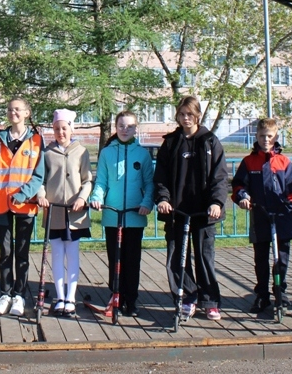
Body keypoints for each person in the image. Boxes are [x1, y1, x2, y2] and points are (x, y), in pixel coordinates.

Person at [154, 96, 229, 321]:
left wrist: (216, 202)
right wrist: (163, 199)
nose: (186, 119)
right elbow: (161, 176)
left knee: (205, 257)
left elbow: (220, 176)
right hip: (177, 211)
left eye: (190, 114)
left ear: (197, 116)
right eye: (182, 114)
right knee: (177, 257)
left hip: (204, 212)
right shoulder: (170, 143)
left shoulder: (210, 141)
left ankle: (210, 300)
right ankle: (187, 297)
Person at [231, 117, 292, 314]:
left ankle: (281, 292)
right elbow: (238, 185)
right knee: (260, 258)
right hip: (260, 215)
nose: (266, 140)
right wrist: (243, 197)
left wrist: (291, 209)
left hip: (281, 216)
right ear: (256, 137)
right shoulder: (249, 161)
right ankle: (262, 295)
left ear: (276, 137)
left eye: (270, 136)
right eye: (262, 136)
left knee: (281, 257)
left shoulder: (284, 162)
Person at [89, 110, 154, 317]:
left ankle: (132, 299)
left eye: (129, 126)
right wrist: (96, 197)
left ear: (136, 128)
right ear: (115, 128)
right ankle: (116, 295)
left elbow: (149, 184)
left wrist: (146, 203)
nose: (125, 130)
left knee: (132, 260)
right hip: (113, 216)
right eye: (121, 126)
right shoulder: (107, 153)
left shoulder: (142, 154)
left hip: (135, 215)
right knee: (115, 258)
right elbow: (101, 181)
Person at [0, 97, 45, 317]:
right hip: (1, 203)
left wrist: (23, 194)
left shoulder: (37, 141)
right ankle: (5, 294)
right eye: (10, 109)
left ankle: (19, 295)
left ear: (27, 113)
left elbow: (39, 175)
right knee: (5, 252)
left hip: (25, 204)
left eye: (18, 109)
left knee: (22, 253)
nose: (13, 113)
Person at [37, 108, 92, 317]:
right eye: (57, 128)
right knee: (57, 255)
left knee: (73, 255)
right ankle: (60, 296)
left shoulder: (81, 151)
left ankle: (71, 297)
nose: (61, 132)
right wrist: (42, 195)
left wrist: (82, 198)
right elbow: (41, 180)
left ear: (71, 128)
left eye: (64, 128)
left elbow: (87, 179)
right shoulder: (47, 153)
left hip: (75, 213)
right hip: (55, 212)